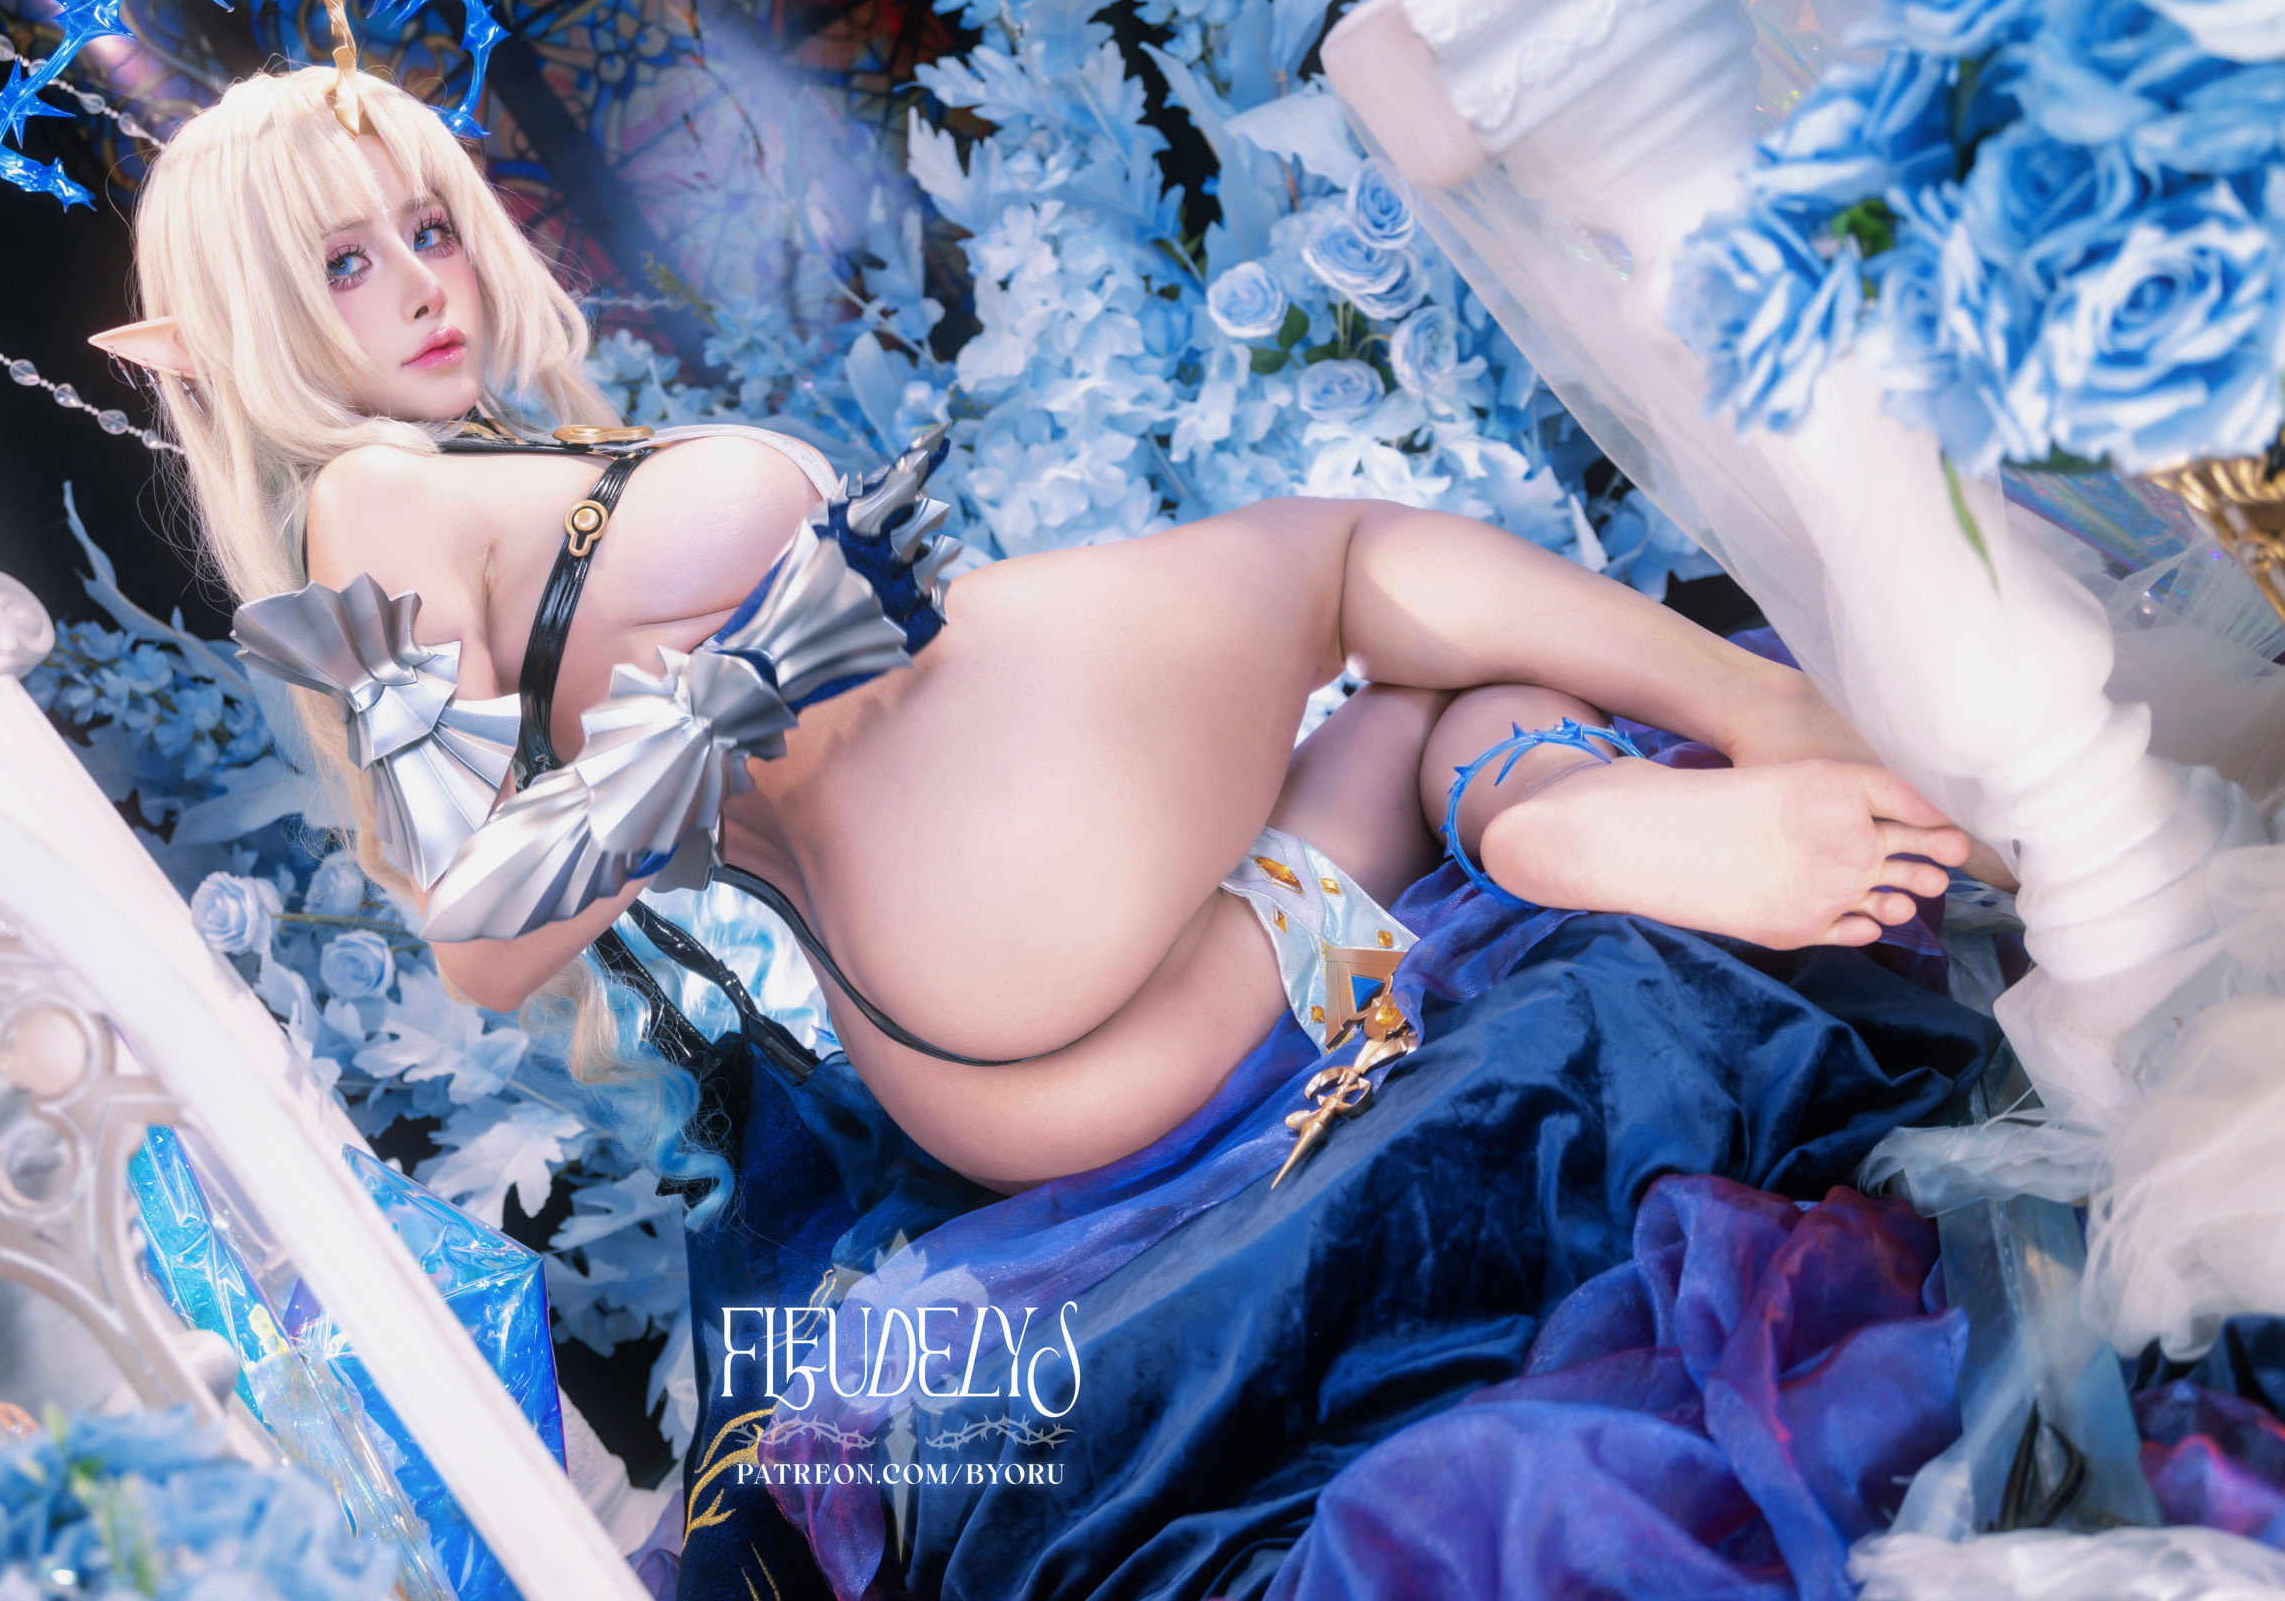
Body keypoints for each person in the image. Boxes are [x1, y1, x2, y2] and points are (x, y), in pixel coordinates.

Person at [94, 66, 1971, 1189]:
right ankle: (1785, 718)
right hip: (998, 882)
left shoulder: (489, 468)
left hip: (1004, 1078)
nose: (420, 287)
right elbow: (477, 939)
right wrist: (753, 679)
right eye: (343, 263)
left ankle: (1554, 814)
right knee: (1343, 559)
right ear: (246, 321)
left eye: (427, 228)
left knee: (1418, 723)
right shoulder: (372, 502)